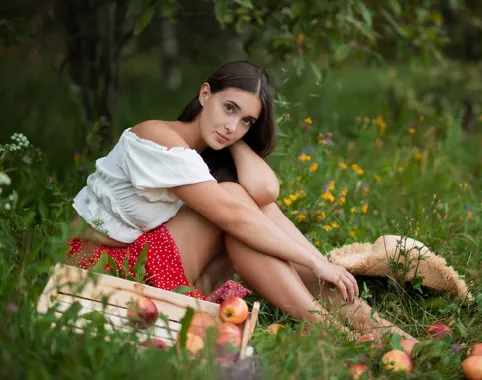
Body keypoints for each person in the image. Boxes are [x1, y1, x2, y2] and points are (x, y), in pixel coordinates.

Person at [67, 60, 416, 341]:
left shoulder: (202, 155)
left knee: (247, 207)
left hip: (147, 263)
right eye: (228, 107)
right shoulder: (158, 137)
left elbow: (265, 192)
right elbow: (233, 215)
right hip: (99, 268)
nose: (233, 125)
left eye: (246, 120)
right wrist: (316, 261)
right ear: (205, 94)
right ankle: (330, 330)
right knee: (235, 210)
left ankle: (386, 334)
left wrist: (231, 138)